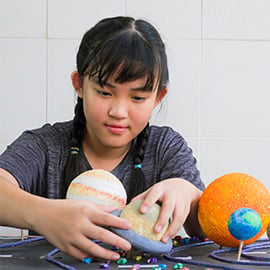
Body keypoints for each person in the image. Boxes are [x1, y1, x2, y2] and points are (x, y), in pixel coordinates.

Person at [0, 16, 205, 262]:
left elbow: (202, 228)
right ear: (79, 84)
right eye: (105, 92)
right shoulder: (45, 145)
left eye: (138, 98)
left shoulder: (165, 147)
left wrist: (189, 194)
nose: (118, 111)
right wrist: (43, 215)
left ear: (158, 97)